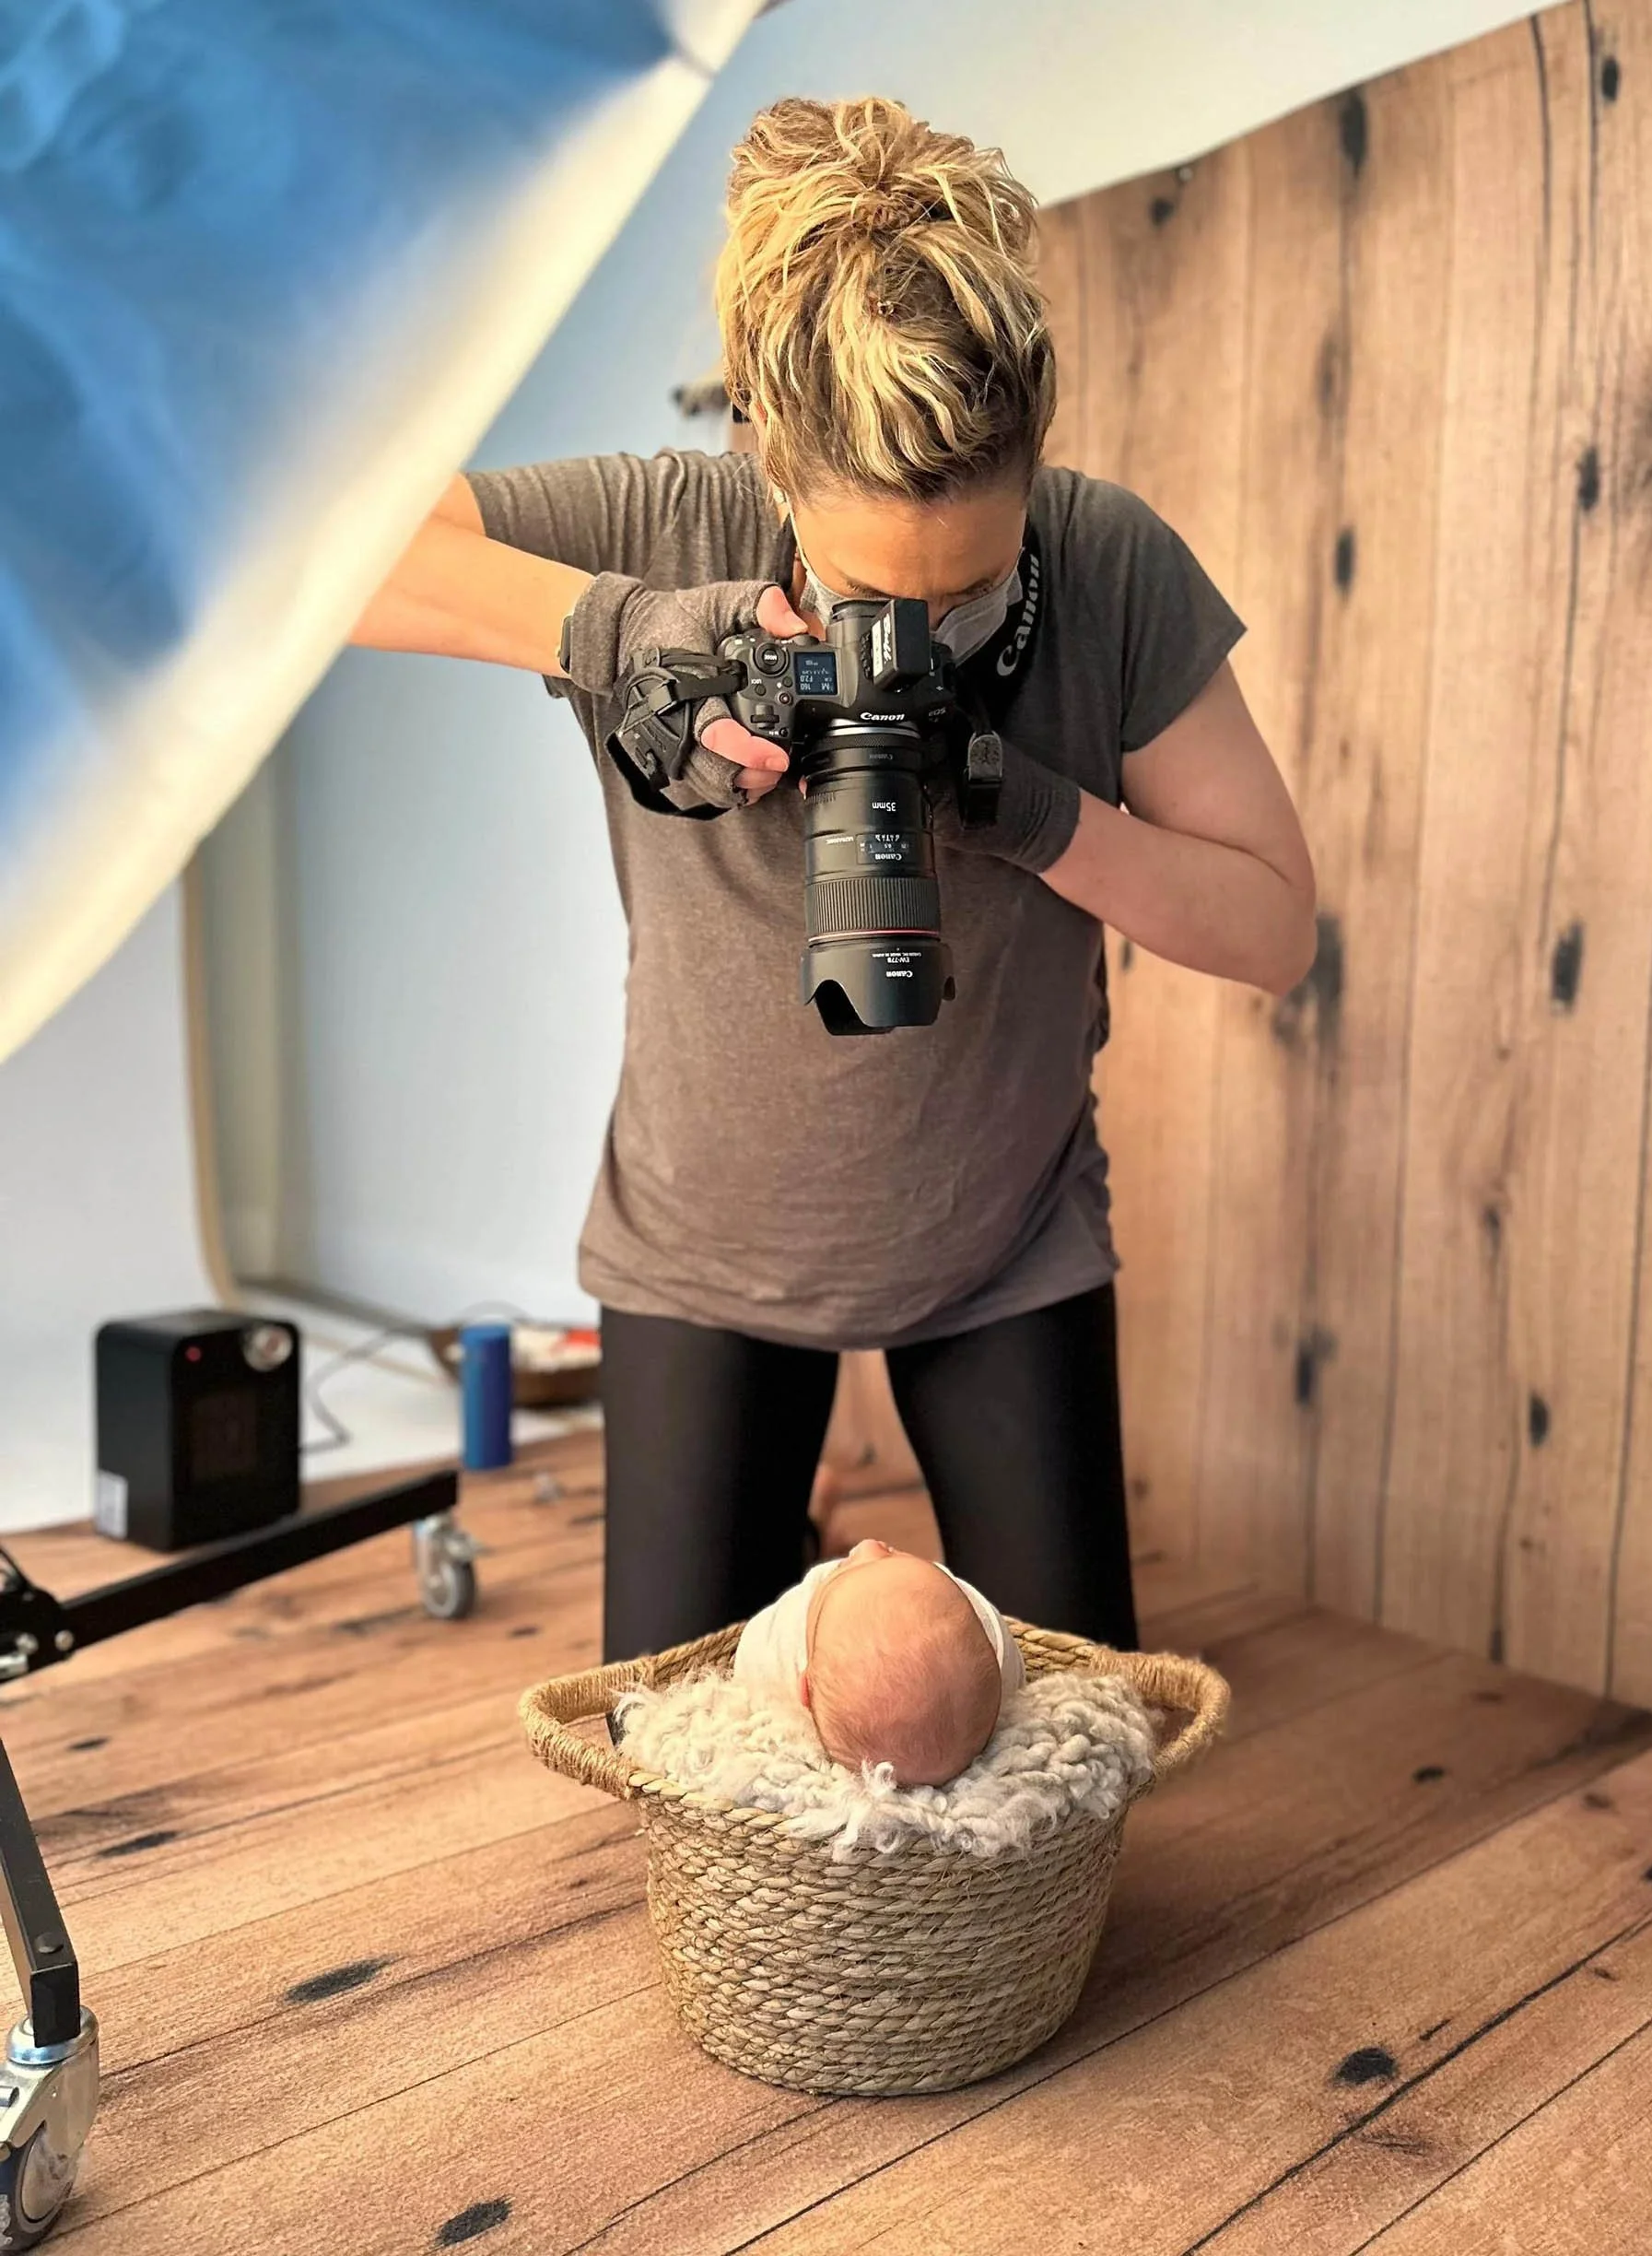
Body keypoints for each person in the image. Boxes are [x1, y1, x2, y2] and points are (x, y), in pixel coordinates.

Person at [351, 95, 1317, 1670]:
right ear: (770, 462)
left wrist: (1024, 807)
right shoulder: (666, 526)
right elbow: (321, 558)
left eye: (973, 591)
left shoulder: (1107, 560)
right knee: (678, 1744)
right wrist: (615, 633)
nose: (920, 643)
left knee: (1079, 1748)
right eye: (873, 595)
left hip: (1006, 1241)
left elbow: (1272, 927)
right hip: (701, 1248)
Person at [731, 1535, 1025, 1787]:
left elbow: (746, 1679)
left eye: (844, 1571)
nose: (869, 1545)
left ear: (805, 1690)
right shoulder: (995, 1644)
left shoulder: (776, 1646)